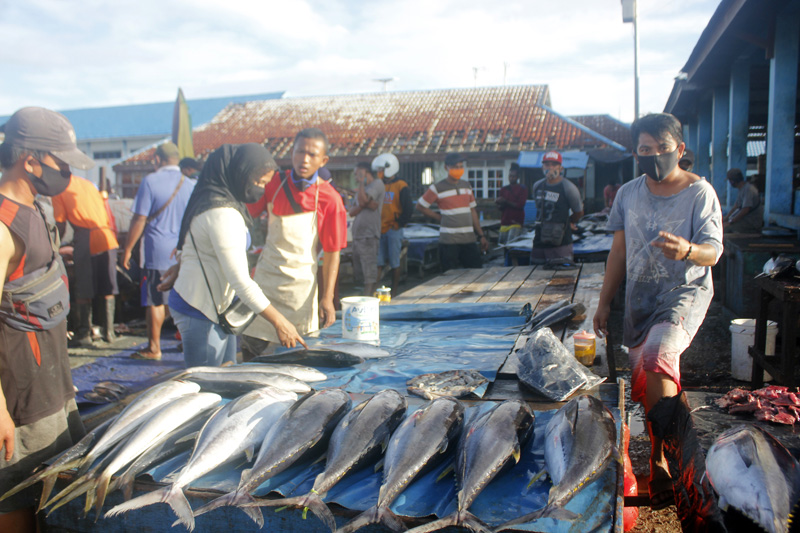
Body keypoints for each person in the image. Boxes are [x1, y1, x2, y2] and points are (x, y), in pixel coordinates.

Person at [592, 113, 723, 511]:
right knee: (645, 384)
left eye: (662, 149)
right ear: (636, 154)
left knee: (658, 357)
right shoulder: (628, 194)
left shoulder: (700, 194)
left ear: (680, 150)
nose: (654, 157)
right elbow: (618, 250)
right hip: (640, 299)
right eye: (645, 150)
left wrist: (687, 250)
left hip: (683, 294)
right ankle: (658, 457)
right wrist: (603, 301)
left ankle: (681, 468)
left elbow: (713, 252)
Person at [0, 107, 88, 532]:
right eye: (60, 160)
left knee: (49, 492)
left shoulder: (35, 208)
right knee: (15, 498)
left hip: (52, 382)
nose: (66, 171)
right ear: (30, 160)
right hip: (18, 394)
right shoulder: (2, 225)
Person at [169, 144, 306, 367]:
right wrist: (279, 322)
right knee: (206, 385)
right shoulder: (222, 214)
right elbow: (241, 281)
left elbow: (199, 248)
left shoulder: (220, 199)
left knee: (227, 372)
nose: (261, 189)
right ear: (240, 173)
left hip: (218, 307)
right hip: (199, 309)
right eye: (259, 182)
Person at [242, 128, 347, 360]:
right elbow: (244, 217)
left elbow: (332, 252)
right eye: (300, 152)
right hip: (265, 283)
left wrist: (328, 297)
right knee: (252, 353)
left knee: (298, 359)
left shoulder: (330, 198)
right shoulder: (272, 184)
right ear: (292, 154)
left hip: (301, 290)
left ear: (324, 160)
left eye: (312, 154)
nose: (305, 159)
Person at [122, 142, 195, 360]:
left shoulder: (150, 181)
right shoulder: (190, 184)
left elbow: (139, 219)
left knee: (155, 300)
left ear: (156, 160)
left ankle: (154, 347)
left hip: (157, 251)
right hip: (183, 251)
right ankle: (187, 342)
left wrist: (127, 249)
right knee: (184, 299)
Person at [52, 174, 120, 345]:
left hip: (86, 237)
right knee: (108, 286)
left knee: (84, 288)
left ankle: (83, 334)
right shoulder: (88, 183)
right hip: (108, 237)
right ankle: (109, 332)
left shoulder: (58, 189)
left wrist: (53, 246)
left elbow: (60, 224)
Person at [416, 153, 489, 271]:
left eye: (461, 166)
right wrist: (439, 217)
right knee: (449, 277)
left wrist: (481, 236)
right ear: (446, 168)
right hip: (449, 242)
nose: (458, 170)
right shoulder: (437, 188)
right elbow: (420, 206)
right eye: (455, 167)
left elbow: (473, 211)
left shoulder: (467, 186)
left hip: (469, 240)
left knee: (475, 275)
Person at [530, 151, 584, 265]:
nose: (550, 168)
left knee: (561, 277)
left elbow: (578, 212)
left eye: (554, 164)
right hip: (539, 241)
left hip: (560, 242)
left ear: (561, 168)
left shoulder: (568, 188)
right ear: (542, 167)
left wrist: (569, 222)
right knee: (535, 276)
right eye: (547, 164)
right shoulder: (537, 186)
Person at [375, 153, 412, 293]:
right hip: (379, 228)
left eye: (381, 170)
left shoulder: (401, 185)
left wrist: (400, 223)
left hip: (393, 228)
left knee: (395, 261)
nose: (379, 173)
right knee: (378, 262)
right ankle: (375, 290)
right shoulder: (379, 185)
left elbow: (408, 208)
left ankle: (395, 290)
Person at [349, 162, 384, 296]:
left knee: (369, 270)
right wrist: (366, 204)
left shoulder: (377, 184)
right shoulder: (361, 191)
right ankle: (366, 295)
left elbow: (363, 202)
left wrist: (362, 184)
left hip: (369, 235)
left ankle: (368, 297)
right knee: (359, 271)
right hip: (358, 236)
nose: (355, 177)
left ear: (365, 172)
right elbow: (352, 211)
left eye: (358, 173)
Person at [495, 163, 527, 245]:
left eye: (513, 176)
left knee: (510, 245)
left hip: (516, 222)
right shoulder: (503, 189)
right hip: (504, 221)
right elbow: (500, 208)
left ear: (518, 177)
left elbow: (520, 205)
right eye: (510, 176)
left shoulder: (522, 189)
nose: (511, 178)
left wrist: (505, 201)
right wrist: (498, 203)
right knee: (501, 245)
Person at [724, 168, 763, 233]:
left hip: (752, 221)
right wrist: (726, 218)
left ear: (733, 181)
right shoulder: (741, 189)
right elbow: (736, 207)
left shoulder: (748, 189)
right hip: (745, 219)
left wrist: (730, 222)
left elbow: (745, 210)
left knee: (726, 229)